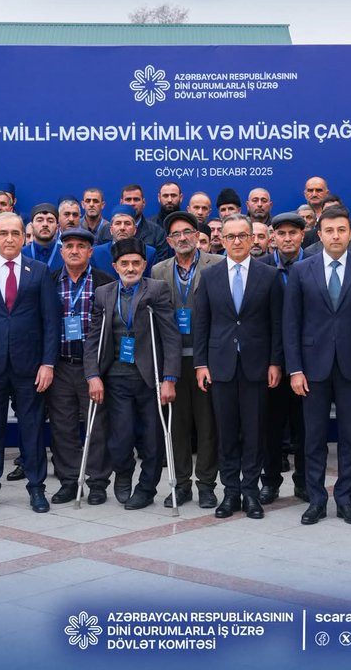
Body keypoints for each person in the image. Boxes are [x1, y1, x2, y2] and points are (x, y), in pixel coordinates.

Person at [283, 205, 351, 526]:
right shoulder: (301, 270)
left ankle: (345, 499)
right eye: (329, 230)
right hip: (312, 368)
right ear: (319, 234)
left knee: (350, 436)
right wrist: (295, 370)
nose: (335, 236)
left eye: (341, 230)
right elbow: (291, 323)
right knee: (313, 437)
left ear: (350, 232)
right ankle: (316, 499)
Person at [0, 212, 60, 514]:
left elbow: (51, 322)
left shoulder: (39, 271)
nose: (9, 239)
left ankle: (36, 488)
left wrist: (48, 363)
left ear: (24, 237)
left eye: (15, 233)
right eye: (3, 233)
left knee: (32, 429)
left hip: (30, 367)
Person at [193, 215, 284, 519]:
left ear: (252, 238)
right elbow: (202, 323)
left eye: (242, 235)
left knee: (255, 432)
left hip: (257, 367)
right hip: (220, 366)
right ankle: (230, 492)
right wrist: (201, 363)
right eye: (230, 236)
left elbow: (276, 324)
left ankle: (250, 492)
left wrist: (275, 362)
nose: (236, 241)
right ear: (222, 240)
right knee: (226, 431)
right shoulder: (210, 276)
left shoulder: (269, 275)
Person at [83, 238, 180, 509]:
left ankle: (146, 488)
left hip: (150, 378)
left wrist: (170, 378)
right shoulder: (103, 293)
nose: (130, 268)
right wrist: (92, 375)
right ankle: (123, 474)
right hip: (116, 377)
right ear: (115, 266)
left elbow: (170, 336)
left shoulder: (157, 290)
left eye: (136, 263)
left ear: (144, 264)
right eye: (124, 263)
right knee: (120, 437)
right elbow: (93, 338)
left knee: (152, 439)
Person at [150, 211, 222, 508]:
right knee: (177, 427)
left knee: (207, 426)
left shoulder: (216, 264)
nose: (182, 238)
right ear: (169, 241)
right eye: (176, 234)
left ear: (197, 235)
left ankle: (206, 485)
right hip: (173, 360)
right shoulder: (158, 270)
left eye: (187, 232)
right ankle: (181, 485)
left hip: (207, 359)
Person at [46, 229, 115, 505]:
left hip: (94, 368)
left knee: (97, 426)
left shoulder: (104, 282)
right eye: (69, 246)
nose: (74, 251)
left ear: (90, 252)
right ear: (62, 252)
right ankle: (69, 480)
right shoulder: (50, 281)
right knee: (62, 426)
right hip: (60, 365)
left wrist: (100, 370)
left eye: (81, 246)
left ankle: (97, 481)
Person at [260, 212, 308, 504]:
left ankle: (304, 481)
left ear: (303, 235)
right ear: (272, 237)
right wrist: (272, 360)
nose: (287, 238)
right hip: (272, 362)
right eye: (282, 233)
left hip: (308, 360)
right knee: (271, 425)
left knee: (305, 426)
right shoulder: (262, 267)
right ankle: (270, 481)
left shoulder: (315, 263)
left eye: (293, 233)